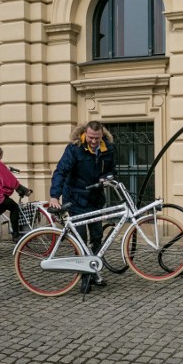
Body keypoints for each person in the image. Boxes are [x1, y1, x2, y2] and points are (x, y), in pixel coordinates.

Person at [48, 120, 116, 293]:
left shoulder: (107, 148)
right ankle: (84, 278)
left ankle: (92, 271)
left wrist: (106, 178)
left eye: (97, 137)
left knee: (97, 236)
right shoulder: (75, 148)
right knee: (81, 239)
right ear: (85, 133)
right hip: (76, 199)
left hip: (95, 199)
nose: (94, 141)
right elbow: (61, 171)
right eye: (91, 137)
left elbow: (112, 170)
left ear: (102, 135)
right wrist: (54, 196)